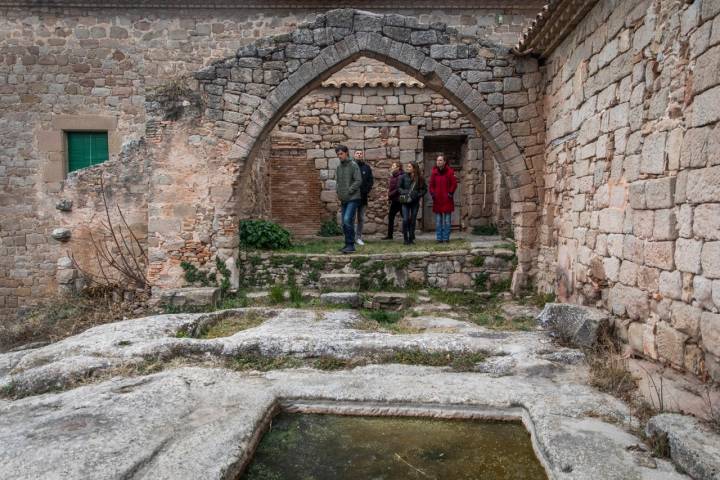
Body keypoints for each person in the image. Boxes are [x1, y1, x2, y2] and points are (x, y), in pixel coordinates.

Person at [334, 145, 362, 254]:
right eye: (338, 154)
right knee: (344, 223)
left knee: (347, 220)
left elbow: (358, 180)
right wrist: (339, 192)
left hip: (353, 197)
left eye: (341, 154)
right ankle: (347, 244)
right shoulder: (339, 167)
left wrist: (349, 190)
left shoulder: (353, 165)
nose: (339, 156)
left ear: (346, 153)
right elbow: (338, 183)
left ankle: (351, 245)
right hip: (344, 199)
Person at [428, 154, 458, 243]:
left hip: (447, 199)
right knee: (438, 221)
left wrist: (450, 193)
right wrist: (433, 194)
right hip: (437, 200)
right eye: (437, 160)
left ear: (444, 162)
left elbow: (454, 184)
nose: (438, 162)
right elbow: (431, 185)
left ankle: (446, 238)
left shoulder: (450, 172)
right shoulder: (434, 172)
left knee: (447, 221)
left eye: (440, 160)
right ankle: (439, 238)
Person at [398, 161, 427, 245]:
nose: (408, 168)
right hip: (405, 201)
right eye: (407, 166)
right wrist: (405, 192)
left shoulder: (420, 178)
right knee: (405, 219)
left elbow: (424, 189)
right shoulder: (402, 177)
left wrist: (417, 195)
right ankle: (405, 239)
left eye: (410, 167)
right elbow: (399, 188)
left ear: (414, 168)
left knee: (413, 220)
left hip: (415, 202)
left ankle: (411, 238)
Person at [353, 149, 374, 246]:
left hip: (363, 197)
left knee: (361, 218)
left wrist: (366, 190)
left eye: (361, 153)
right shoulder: (351, 166)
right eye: (357, 153)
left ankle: (358, 237)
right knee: (351, 218)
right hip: (352, 197)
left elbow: (370, 181)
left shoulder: (366, 167)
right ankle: (351, 237)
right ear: (354, 155)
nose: (359, 155)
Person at [383, 161, 404, 240]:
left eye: (393, 166)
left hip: (401, 199)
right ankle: (390, 235)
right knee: (391, 217)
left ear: (398, 168)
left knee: (404, 217)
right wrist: (389, 196)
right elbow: (392, 188)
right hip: (395, 200)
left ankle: (409, 234)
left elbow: (398, 189)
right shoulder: (393, 176)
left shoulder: (401, 176)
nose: (392, 167)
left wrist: (389, 195)